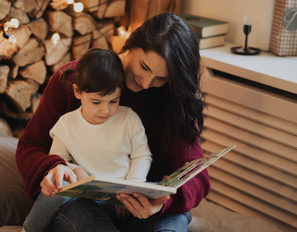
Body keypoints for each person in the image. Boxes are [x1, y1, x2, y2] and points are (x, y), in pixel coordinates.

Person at [16, 12, 210, 232]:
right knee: (82, 214)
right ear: (132, 45)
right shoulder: (72, 80)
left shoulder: (172, 100)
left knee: (174, 221)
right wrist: (54, 167)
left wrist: (161, 203)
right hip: (84, 206)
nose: (146, 84)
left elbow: (198, 177)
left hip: (144, 213)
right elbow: (29, 147)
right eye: (144, 67)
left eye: (161, 78)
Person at [23, 48, 152, 232]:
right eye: (97, 102)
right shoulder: (66, 124)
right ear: (77, 92)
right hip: (81, 201)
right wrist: (74, 170)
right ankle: (29, 229)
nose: (105, 111)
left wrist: (131, 189)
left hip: (120, 201)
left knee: (170, 206)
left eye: (113, 101)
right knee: (58, 184)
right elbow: (57, 161)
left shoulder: (129, 119)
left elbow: (142, 156)